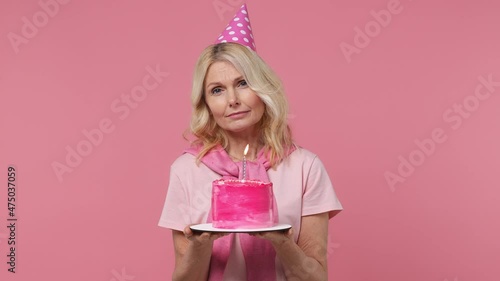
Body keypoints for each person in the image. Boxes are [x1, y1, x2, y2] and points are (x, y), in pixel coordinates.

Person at [158, 4, 342, 281]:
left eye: (243, 83)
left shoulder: (305, 167)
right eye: (217, 90)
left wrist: (279, 239)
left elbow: (316, 277)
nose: (232, 99)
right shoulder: (186, 170)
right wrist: (200, 244)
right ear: (206, 104)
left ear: (263, 88)